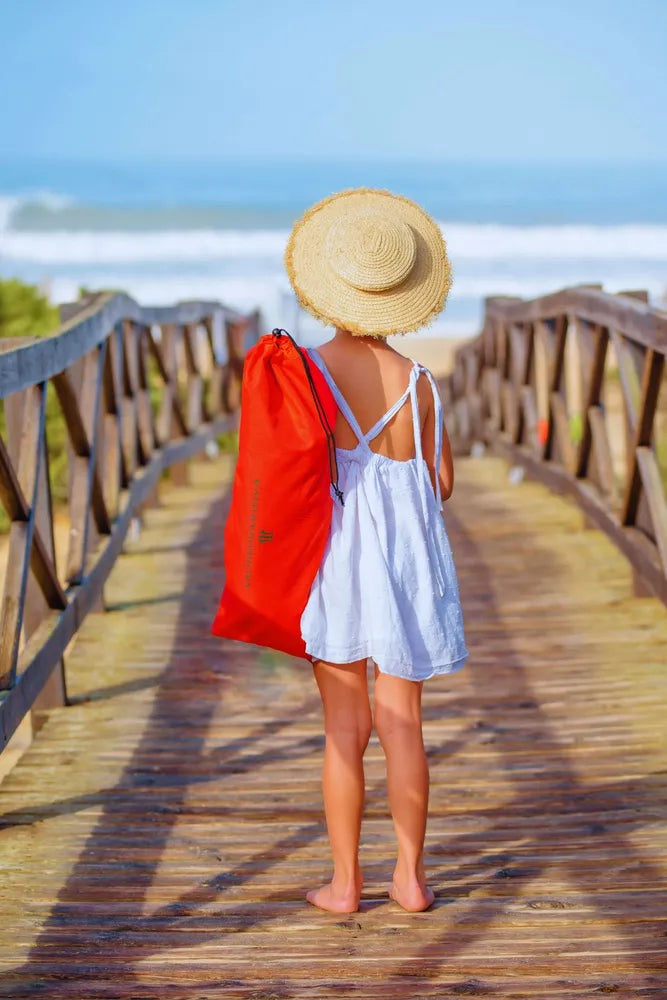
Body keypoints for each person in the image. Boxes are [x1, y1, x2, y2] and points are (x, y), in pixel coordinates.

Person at [284, 188, 468, 914]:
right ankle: (411, 878)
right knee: (403, 724)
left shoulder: (306, 370)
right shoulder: (420, 382)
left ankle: (345, 883)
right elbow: (441, 482)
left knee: (342, 727)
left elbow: (291, 469)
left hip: (334, 557)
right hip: (405, 565)